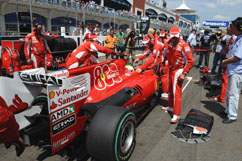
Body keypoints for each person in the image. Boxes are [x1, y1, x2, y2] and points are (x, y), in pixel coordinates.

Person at [161, 26, 194, 124]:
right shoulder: (168, 43)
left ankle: (176, 114)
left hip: (179, 70)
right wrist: (163, 61)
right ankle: (170, 107)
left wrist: (184, 73)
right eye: (172, 37)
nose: (174, 39)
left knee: (177, 93)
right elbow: (164, 53)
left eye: (176, 37)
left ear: (179, 35)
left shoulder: (184, 45)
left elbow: (190, 61)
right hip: (171, 69)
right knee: (170, 89)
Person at [221, 17, 242, 123]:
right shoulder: (238, 37)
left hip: (237, 71)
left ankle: (232, 116)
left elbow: (237, 57)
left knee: (234, 93)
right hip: (232, 69)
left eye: (233, 27)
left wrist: (224, 62)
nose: (231, 29)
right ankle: (228, 110)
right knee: (229, 92)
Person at [213, 25, 237, 103]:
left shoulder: (235, 38)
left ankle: (222, 98)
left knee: (226, 80)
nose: (227, 31)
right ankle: (222, 96)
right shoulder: (231, 37)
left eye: (228, 30)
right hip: (227, 59)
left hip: (231, 62)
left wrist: (225, 61)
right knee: (224, 79)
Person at [159, 30, 170, 99]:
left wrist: (164, 62)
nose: (162, 38)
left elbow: (165, 53)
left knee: (164, 76)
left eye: (163, 36)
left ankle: (165, 91)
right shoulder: (161, 40)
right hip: (165, 59)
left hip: (168, 61)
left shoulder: (168, 42)